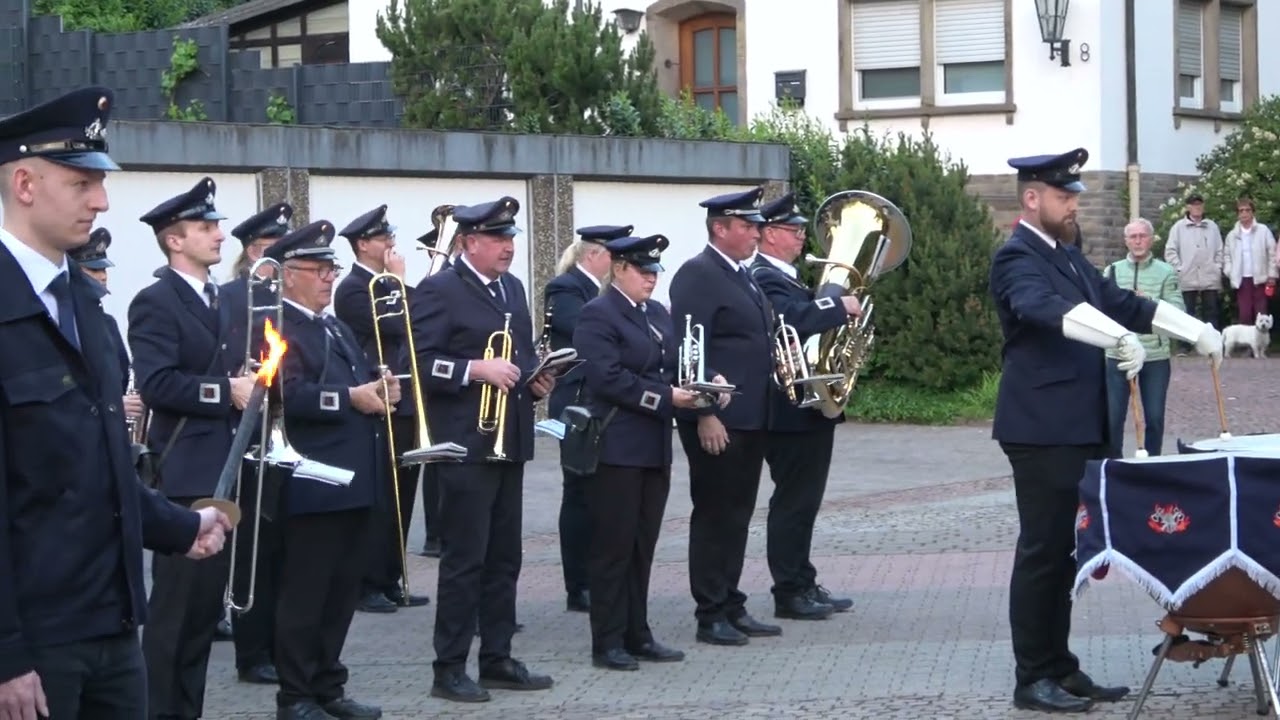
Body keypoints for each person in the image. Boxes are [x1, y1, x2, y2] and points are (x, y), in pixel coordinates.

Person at [0, 85, 230, 720]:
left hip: (113, 620)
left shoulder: (90, 310)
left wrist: (182, 527)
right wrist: (5, 655)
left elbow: (103, 470)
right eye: (81, 183)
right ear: (25, 184)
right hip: (34, 642)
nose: (101, 201)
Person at [990, 147, 1224, 713]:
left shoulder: (1068, 257)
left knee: (1066, 555)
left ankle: (1060, 666)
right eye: (1064, 196)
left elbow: (1121, 303)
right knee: (1043, 551)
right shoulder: (1017, 257)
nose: (1073, 206)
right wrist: (1113, 339)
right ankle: (1032, 677)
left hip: (1076, 426)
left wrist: (1193, 329)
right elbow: (1042, 309)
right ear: (1032, 198)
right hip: (1042, 428)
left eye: (1073, 197)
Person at [410, 196, 557, 702]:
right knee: (464, 560)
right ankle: (448, 667)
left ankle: (496, 657)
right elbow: (421, 365)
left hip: (508, 440)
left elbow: (522, 353)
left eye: (511, 238)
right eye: (498, 239)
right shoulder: (438, 290)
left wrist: (536, 379)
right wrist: (476, 368)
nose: (508, 248)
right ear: (469, 242)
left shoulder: (513, 288)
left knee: (504, 559)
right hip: (465, 443)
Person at [131, 176, 257, 720]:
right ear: (174, 240)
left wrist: (248, 379)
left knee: (204, 614)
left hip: (223, 468)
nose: (218, 235)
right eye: (205, 228)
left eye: (216, 226)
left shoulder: (222, 299)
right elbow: (157, 383)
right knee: (174, 616)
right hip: (183, 473)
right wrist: (226, 390)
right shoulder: (155, 300)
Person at [273, 219, 391, 720]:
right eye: (317, 269)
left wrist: (381, 385)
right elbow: (283, 393)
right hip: (312, 481)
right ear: (287, 274)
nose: (327, 278)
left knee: (341, 593)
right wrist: (350, 396)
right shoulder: (277, 323)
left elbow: (359, 384)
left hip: (354, 480)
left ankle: (328, 685)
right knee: (306, 593)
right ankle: (295, 695)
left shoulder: (333, 325)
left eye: (330, 268)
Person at [573, 233, 693, 670]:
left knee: (643, 544)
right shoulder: (598, 314)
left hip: (653, 445)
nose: (651, 280)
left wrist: (702, 382)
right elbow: (608, 378)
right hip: (617, 444)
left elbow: (675, 362)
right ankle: (607, 640)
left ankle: (637, 631)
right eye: (643, 271)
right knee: (613, 547)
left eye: (655, 272)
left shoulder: (656, 313)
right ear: (618, 268)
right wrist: (666, 398)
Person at [669, 186, 779, 646]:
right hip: (719, 419)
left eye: (756, 226)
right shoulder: (698, 274)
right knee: (715, 514)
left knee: (737, 514)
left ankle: (731, 602)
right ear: (720, 228)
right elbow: (687, 351)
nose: (757, 232)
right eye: (747, 225)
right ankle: (710, 611)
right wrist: (705, 414)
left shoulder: (741, 274)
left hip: (751, 415)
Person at [748, 193, 859, 620]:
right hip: (788, 406)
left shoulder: (787, 275)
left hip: (808, 402)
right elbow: (791, 318)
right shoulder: (763, 275)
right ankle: (789, 590)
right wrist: (837, 305)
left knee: (805, 500)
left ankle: (804, 580)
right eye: (793, 231)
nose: (800, 238)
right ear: (770, 235)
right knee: (794, 501)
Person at [335, 204, 431, 613]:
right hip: (374, 399)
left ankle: (392, 576)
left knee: (403, 497)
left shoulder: (386, 284)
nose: (391, 243)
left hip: (405, 399)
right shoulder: (354, 289)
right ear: (363, 245)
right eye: (382, 238)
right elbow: (398, 325)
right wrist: (400, 281)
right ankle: (366, 582)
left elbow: (423, 319)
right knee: (379, 496)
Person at [220, 203, 295, 685]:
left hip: (284, 431)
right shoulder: (231, 296)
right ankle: (252, 651)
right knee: (252, 547)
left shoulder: (289, 299)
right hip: (243, 432)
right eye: (275, 251)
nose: (282, 261)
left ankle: (277, 644)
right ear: (253, 251)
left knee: (282, 549)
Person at [544, 223, 632, 613]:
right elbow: (584, 329)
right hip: (579, 405)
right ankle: (578, 584)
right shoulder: (566, 289)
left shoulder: (610, 295)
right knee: (579, 495)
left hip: (609, 406)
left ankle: (602, 577)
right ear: (594, 256)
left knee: (605, 494)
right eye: (615, 257)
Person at [1103, 219, 1182, 457]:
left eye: (1142, 236)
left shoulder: (1166, 272)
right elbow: (1102, 308)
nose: (1138, 241)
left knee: (1155, 418)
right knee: (1113, 418)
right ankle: (1114, 467)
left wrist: (1147, 302)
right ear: (1126, 240)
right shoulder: (1112, 270)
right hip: (1118, 354)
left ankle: (1152, 465)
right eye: (1133, 236)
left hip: (1154, 355)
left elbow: (1178, 310)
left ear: (1151, 239)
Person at [69, 227, 144, 414]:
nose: (102, 276)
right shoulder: (61, 322)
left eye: (103, 269)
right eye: (93, 269)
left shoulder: (107, 322)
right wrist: (111, 407)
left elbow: (122, 376)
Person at [1223, 196, 1277, 325]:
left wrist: (1272, 275)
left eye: (1247, 210)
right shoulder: (1232, 235)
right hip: (1242, 280)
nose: (1244, 213)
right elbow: (1226, 256)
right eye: (1241, 211)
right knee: (1245, 314)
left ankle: (1261, 344)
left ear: (1253, 212)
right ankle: (1246, 344)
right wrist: (1230, 272)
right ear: (1237, 214)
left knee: (1261, 314)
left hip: (1260, 278)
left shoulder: (1263, 231)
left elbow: (1272, 253)